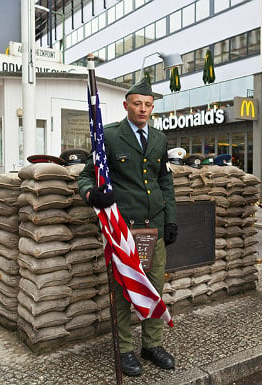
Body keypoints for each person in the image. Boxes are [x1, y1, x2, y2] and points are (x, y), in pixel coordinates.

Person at [78, 77, 178, 376]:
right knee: (124, 292)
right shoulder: (108, 135)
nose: (143, 109)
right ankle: (124, 349)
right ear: (126, 105)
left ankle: (152, 344)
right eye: (138, 103)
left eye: (148, 105)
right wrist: (91, 194)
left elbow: (164, 181)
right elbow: (86, 176)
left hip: (154, 227)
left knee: (154, 288)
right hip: (125, 230)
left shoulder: (159, 138)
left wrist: (170, 218)